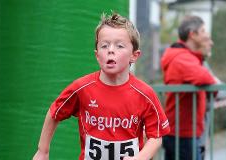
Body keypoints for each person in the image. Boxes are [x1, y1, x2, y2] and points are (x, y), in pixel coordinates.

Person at [32, 12, 170, 160]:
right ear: (97, 55)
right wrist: (42, 151)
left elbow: (156, 136)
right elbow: (55, 112)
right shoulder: (81, 87)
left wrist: (140, 158)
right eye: (104, 45)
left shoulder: (145, 94)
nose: (110, 50)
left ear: (134, 55)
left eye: (119, 46)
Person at [160, 15, 217, 160]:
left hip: (182, 132)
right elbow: (206, 78)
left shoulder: (185, 56)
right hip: (183, 134)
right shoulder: (182, 57)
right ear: (193, 34)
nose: (206, 36)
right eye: (203, 31)